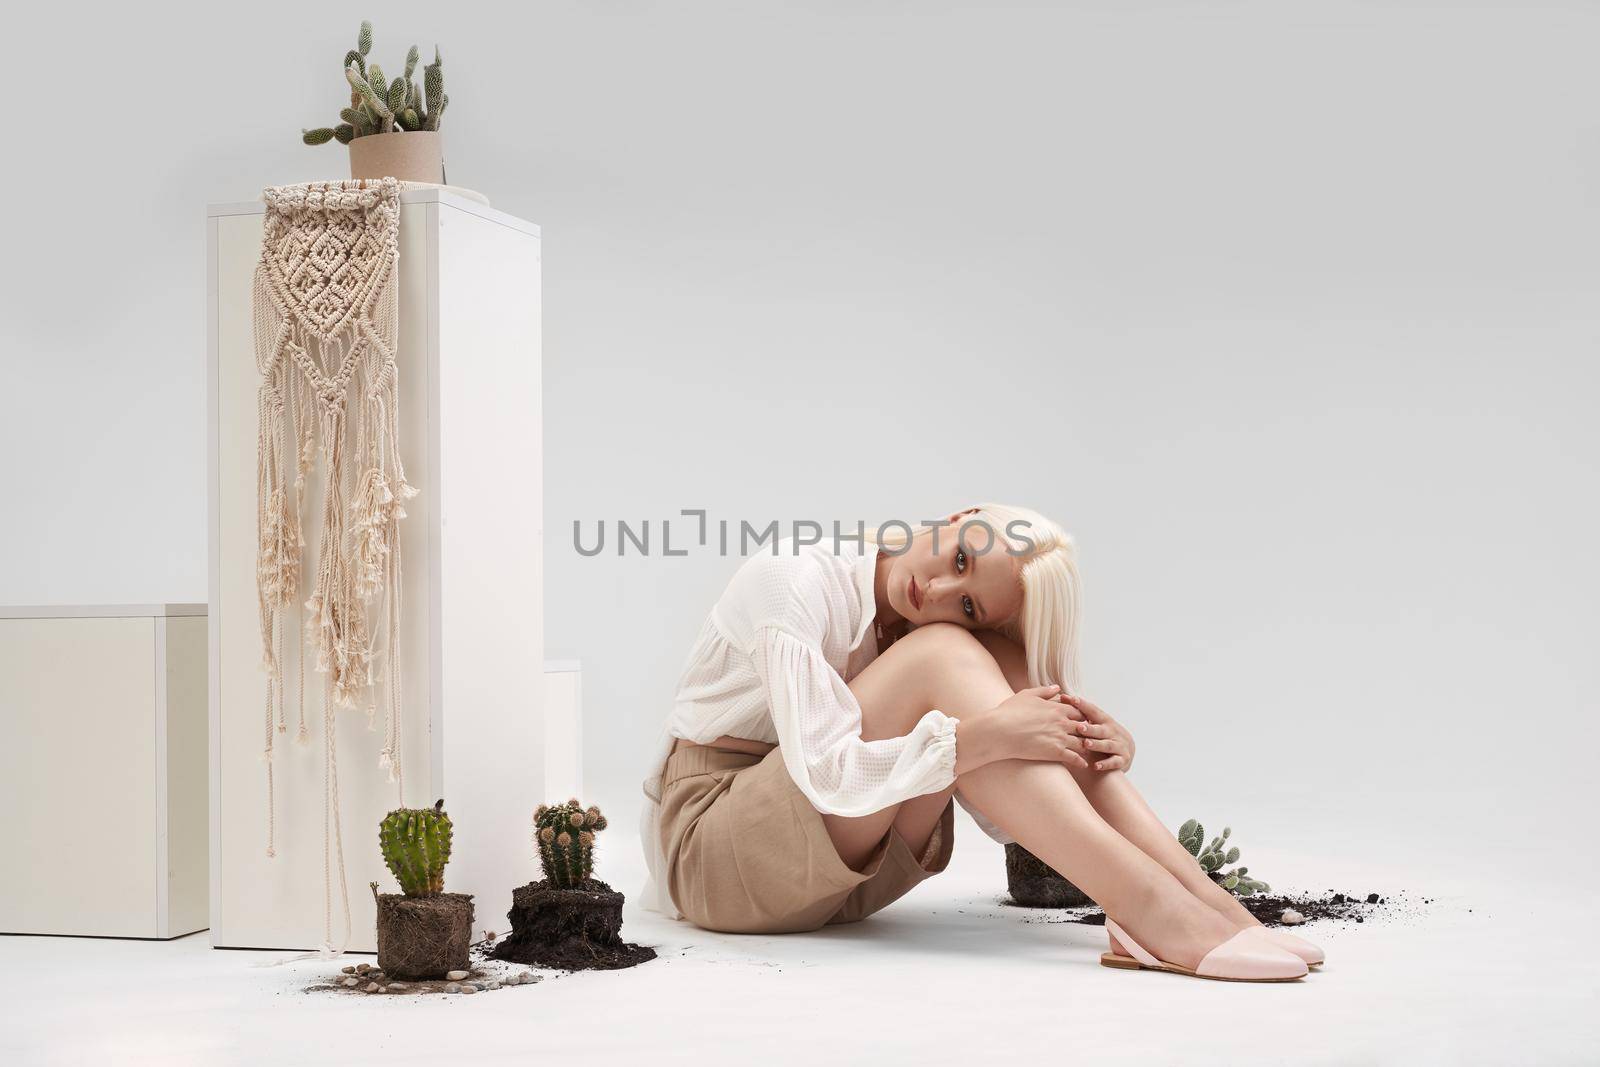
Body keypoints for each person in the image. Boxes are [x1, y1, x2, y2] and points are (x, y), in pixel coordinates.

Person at [639, 504, 1322, 982]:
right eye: (959, 557)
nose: (937, 586)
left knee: (998, 660)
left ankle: (1202, 901)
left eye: (968, 598)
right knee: (942, 652)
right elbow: (824, 773)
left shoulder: (917, 621)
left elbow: (1007, 813)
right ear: (957, 516)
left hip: (837, 874)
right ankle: (1146, 907)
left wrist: (1090, 744)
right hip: (714, 853)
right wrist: (982, 735)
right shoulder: (793, 579)